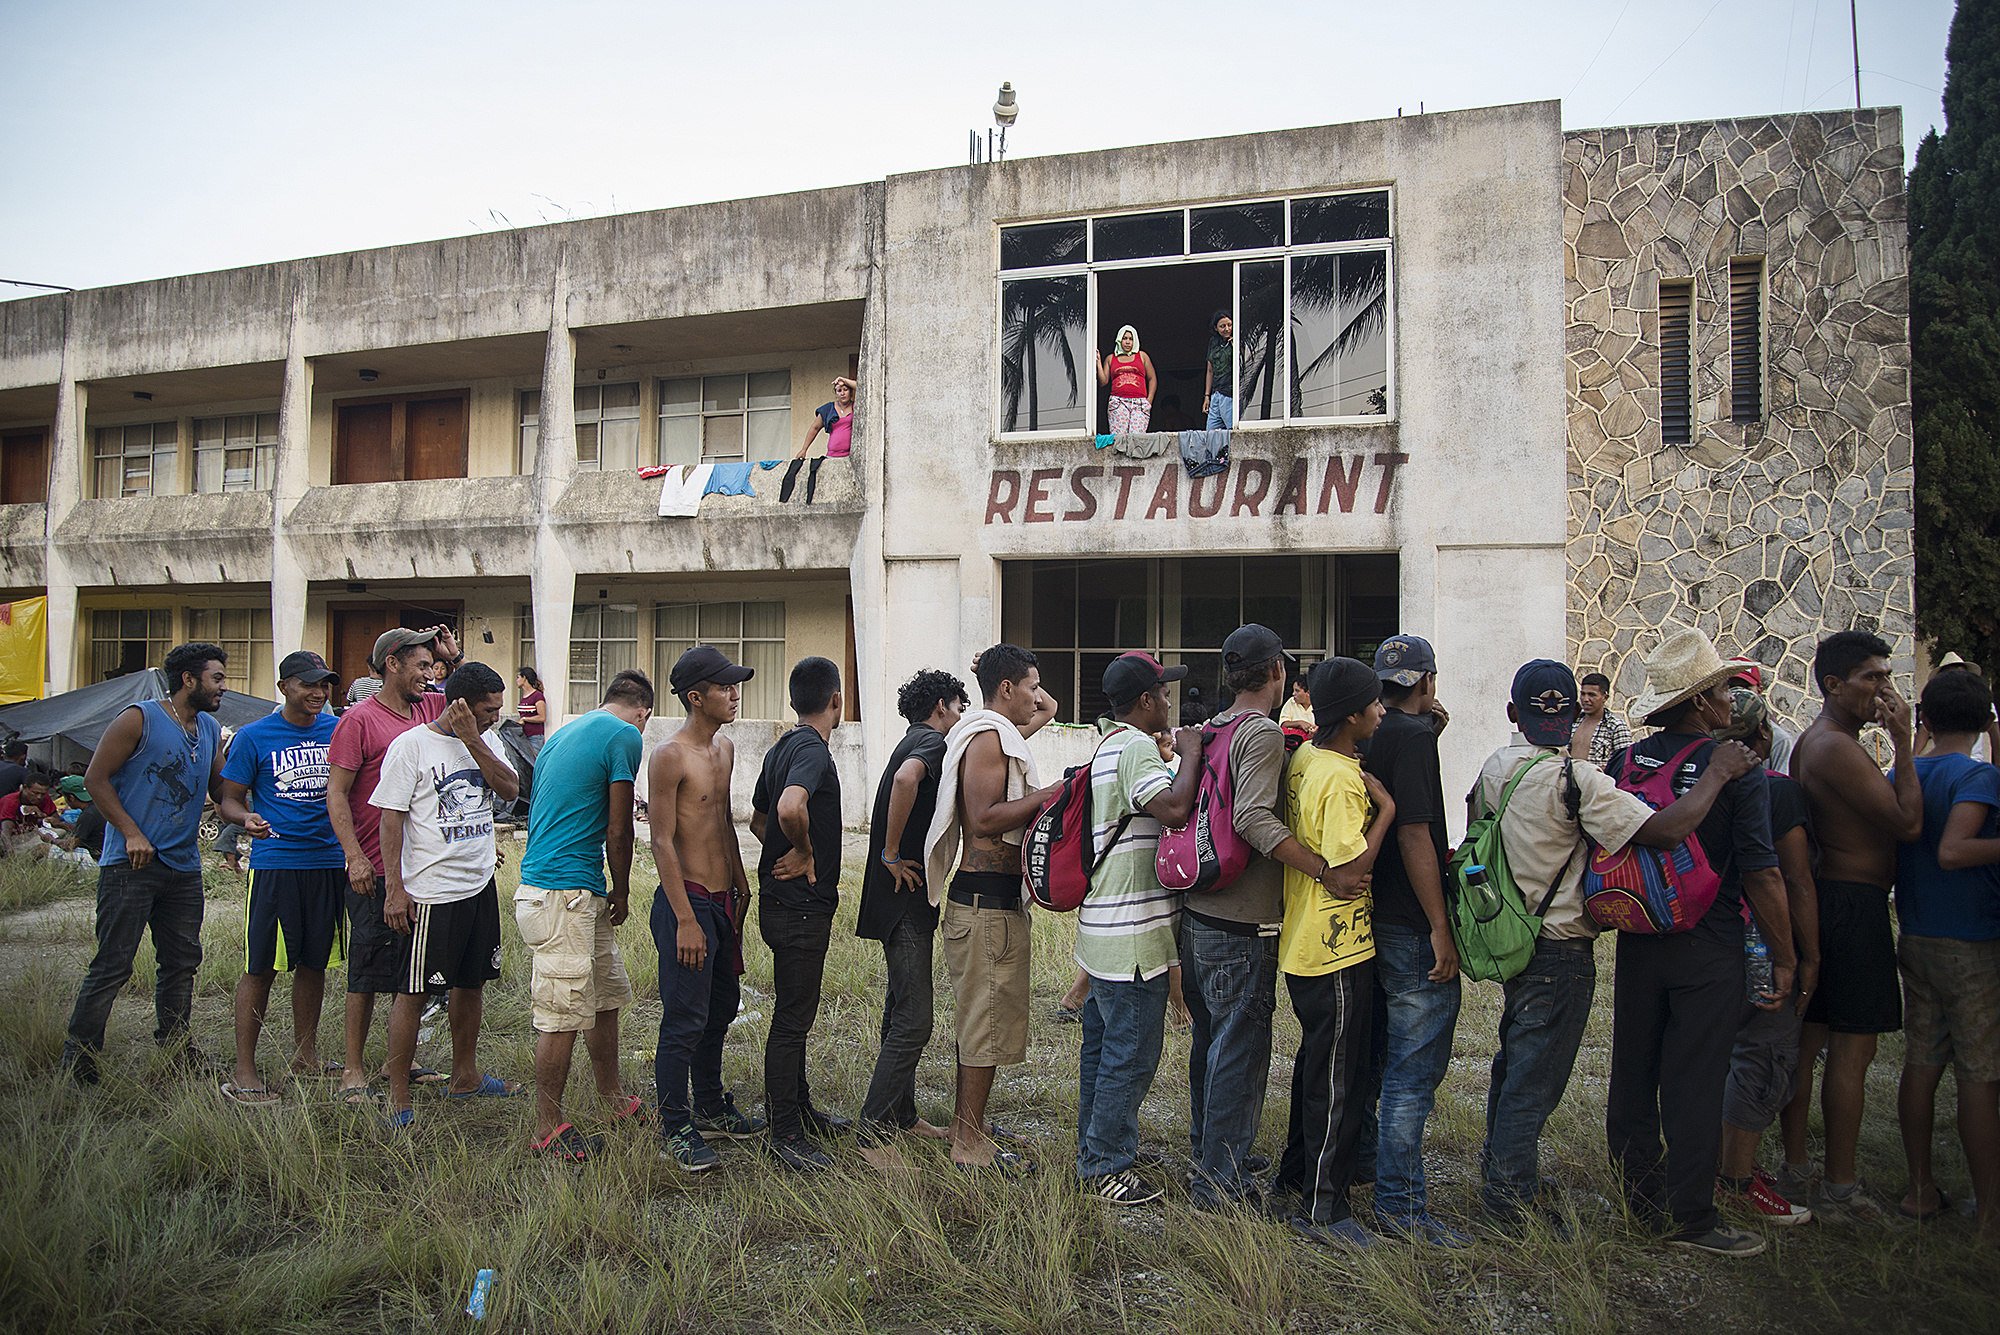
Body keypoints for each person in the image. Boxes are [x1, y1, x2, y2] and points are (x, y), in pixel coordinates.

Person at [1470, 660, 1749, 1231]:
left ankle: (1501, 1169)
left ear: (1511, 714)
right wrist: (1717, 774)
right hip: (1562, 948)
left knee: (1512, 1062)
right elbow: (1666, 829)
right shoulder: (1581, 781)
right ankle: (1509, 1198)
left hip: (1512, 936)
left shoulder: (1498, 766)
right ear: (1573, 716)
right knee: (1536, 1078)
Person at [1606, 627, 1794, 1258]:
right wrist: (1788, 956)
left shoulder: (1628, 762)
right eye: (1720, 689)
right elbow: (1763, 872)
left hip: (1639, 935)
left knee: (1634, 1067)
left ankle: (1638, 1197)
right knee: (1695, 1078)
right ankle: (1689, 1217)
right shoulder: (1736, 768)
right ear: (1703, 703)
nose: (1728, 699)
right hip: (1708, 944)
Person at [1183, 625, 1331, 1212]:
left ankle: (1211, 1152)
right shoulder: (1263, 734)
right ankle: (1219, 1181)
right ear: (1278, 673)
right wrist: (1321, 868)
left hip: (1198, 907)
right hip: (1241, 919)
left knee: (1212, 1043)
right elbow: (1252, 820)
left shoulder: (1214, 727)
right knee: (1239, 1051)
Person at [1781, 629, 1922, 1222]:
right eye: (1873, 678)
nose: (1884, 690)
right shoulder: (1834, 745)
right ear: (1835, 685)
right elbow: (1905, 822)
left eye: (1887, 677)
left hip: (1832, 904)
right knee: (1847, 1051)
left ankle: (1797, 1168)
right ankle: (1838, 1185)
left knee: (1809, 1041)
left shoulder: (1824, 742)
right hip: (1850, 906)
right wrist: (1905, 743)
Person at [59, 642, 228, 1084]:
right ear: (188, 680)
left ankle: (175, 1049)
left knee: (181, 962)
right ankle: (79, 1061)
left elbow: (222, 791)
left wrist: (244, 815)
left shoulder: (208, 728)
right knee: (113, 963)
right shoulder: (139, 718)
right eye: (216, 678)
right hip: (130, 866)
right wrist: (131, 832)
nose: (222, 687)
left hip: (184, 868)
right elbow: (96, 779)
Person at [923, 644, 1060, 1174]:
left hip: (993, 905)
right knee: (984, 1027)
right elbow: (983, 819)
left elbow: (1046, 709)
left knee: (985, 1023)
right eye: (1028, 684)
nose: (1037, 695)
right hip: (984, 905)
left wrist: (999, 672)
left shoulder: (999, 731)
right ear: (1007, 690)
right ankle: (970, 1142)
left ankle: (966, 1124)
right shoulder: (987, 738)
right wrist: (1052, 792)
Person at [1075, 652, 1203, 1205]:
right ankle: (1106, 1166)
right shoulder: (1134, 747)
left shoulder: (1107, 746)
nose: (1170, 702)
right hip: (1132, 934)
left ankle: (1095, 1147)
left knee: (1103, 1053)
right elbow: (1174, 810)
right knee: (1131, 1054)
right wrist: (1193, 753)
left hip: (1102, 930)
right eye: (1164, 693)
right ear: (1146, 701)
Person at [1274, 657, 1394, 1246]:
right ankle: (1326, 1209)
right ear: (1351, 713)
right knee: (1339, 1082)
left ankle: (1294, 1179)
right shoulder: (1344, 780)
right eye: (1374, 703)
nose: (1381, 711)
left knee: (1316, 1068)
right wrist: (1387, 813)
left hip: (1304, 938)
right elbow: (1349, 871)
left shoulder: (1308, 758)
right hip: (1336, 946)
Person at [373, 663, 521, 1126]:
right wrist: (395, 890)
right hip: (431, 893)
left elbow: (512, 789)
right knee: (414, 991)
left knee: (471, 983)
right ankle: (398, 1096)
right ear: (458, 705)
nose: (495, 717)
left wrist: (474, 739)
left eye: (498, 708)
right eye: (486, 710)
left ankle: (465, 1076)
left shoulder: (487, 740)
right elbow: (390, 820)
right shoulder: (411, 746)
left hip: (478, 884)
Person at [516, 669, 655, 1163]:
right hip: (561, 893)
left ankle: (612, 1097)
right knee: (561, 1013)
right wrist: (623, 888)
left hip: (572, 887)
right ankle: (546, 1128)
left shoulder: (566, 731)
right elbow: (620, 828)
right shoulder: (623, 735)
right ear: (644, 711)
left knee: (603, 996)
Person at [1357, 635, 1465, 1245]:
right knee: (1412, 1070)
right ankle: (1402, 1206)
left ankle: (1372, 1166)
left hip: (1371, 914)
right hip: (1408, 922)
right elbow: (1415, 835)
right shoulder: (1415, 736)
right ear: (1427, 680)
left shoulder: (1373, 731)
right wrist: (1439, 926)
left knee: (1380, 1057)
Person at [326, 625, 464, 1102]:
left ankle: (395, 1063)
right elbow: (337, 794)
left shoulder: (428, 707)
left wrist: (456, 658)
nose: (431, 674)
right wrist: (354, 857)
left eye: (433, 666)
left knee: (412, 971)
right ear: (393, 664)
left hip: (422, 867)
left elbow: (471, 706)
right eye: (422, 665)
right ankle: (352, 1069)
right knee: (367, 969)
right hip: (376, 867)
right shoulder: (359, 721)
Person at [1889, 669, 2000, 1239]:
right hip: (1973, 941)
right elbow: (1956, 850)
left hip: (1917, 934)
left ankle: (1919, 1189)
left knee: (1922, 1060)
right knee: (1980, 1072)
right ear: (1984, 723)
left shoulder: (1906, 772)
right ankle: (1989, 1213)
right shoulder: (1977, 778)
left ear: (1925, 719)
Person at [648, 652, 768, 1174]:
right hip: (688, 902)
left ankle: (711, 1105)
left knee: (720, 1009)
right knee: (685, 1018)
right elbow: (661, 839)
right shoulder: (669, 755)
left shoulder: (725, 747)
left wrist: (740, 881)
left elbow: (720, 821)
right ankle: (674, 1123)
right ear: (696, 697)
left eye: (737, 685)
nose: (735, 694)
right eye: (725, 687)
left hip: (723, 900)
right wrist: (686, 919)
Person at [215, 652, 346, 1105]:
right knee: (262, 966)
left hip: (329, 863)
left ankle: (305, 1056)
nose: (318, 693)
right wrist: (245, 816)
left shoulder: (338, 731)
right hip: (276, 863)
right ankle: (245, 1068)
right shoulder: (254, 736)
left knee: (314, 963)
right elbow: (227, 799)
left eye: (325, 685)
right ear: (284, 686)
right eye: (308, 684)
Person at [1714, 687, 1820, 1226]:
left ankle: (1716, 1165)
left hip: (1707, 942)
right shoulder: (1775, 791)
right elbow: (1791, 880)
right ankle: (1737, 1177)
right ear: (1762, 737)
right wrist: (1804, 955)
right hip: (1759, 940)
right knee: (1765, 1054)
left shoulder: (1695, 781)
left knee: (1718, 1055)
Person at [854, 668, 969, 1166]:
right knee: (916, 1020)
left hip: (899, 896)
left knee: (898, 1008)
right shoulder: (930, 744)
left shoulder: (913, 738)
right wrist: (891, 852)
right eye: (959, 705)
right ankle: (873, 1133)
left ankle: (902, 1116)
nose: (961, 715)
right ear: (941, 705)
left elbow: (1042, 713)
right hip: (903, 895)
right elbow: (906, 780)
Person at [750, 656, 850, 1171]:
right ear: (837, 699)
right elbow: (789, 810)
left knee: (797, 1013)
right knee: (792, 1019)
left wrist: (781, 852)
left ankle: (801, 1111)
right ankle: (784, 1132)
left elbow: (759, 819)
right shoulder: (811, 749)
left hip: (781, 904)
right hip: (801, 909)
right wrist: (806, 851)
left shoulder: (782, 747)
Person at [1914, 652, 1998, 763]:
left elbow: (1996, 739)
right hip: (1947, 763)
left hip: (1971, 761)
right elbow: (1922, 734)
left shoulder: (1981, 702)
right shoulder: (1935, 703)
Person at [1728, 660, 1798, 776]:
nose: (1738, 693)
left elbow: (1781, 785)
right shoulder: (1714, 731)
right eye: (1731, 687)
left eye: (1746, 687)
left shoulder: (1779, 740)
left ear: (1759, 690)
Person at [1095, 325, 1157, 435]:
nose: (1128, 342)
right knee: (1119, 439)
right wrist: (1098, 363)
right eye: (1124, 338)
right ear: (1119, 340)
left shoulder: (1142, 356)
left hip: (1140, 403)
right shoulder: (1111, 358)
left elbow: (1152, 379)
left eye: (1131, 339)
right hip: (1118, 402)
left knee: (1137, 439)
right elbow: (1103, 381)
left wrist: (1149, 401)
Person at [1569, 671, 1632, 768]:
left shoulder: (1616, 726)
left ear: (1605, 697)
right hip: (1569, 780)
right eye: (1583, 694)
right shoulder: (1573, 721)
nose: (1586, 699)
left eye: (1592, 695)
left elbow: (1625, 764)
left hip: (1599, 781)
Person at [794, 376, 857, 460]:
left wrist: (844, 380)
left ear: (851, 392)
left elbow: (862, 387)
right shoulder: (828, 409)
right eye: (839, 390)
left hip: (851, 457)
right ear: (836, 394)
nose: (842, 393)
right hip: (832, 456)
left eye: (845, 390)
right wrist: (804, 449)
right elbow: (814, 428)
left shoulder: (857, 407)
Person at [0, 767, 55, 852]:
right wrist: (10, 851)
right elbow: (6, 831)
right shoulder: (11, 801)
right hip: (9, 837)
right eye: (35, 793)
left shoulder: (45, 799)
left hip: (31, 833)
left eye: (43, 794)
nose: (39, 797)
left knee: (59, 832)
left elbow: (56, 820)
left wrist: (42, 815)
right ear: (25, 788)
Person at [1202, 310, 1235, 430]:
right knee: (1211, 432)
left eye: (1229, 325)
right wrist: (1207, 395)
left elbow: (1244, 362)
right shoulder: (1213, 342)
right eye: (1222, 326)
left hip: (1229, 392)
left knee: (1231, 429)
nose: (1227, 329)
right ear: (1216, 328)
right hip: (1216, 393)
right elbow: (1210, 370)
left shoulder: (1237, 341)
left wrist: (1235, 346)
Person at [516, 667, 547, 755]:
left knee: (533, 761)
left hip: (535, 736)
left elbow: (542, 717)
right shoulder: (524, 697)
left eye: (518, 677)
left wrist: (525, 719)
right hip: (524, 736)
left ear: (524, 678)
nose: (517, 680)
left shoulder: (537, 696)